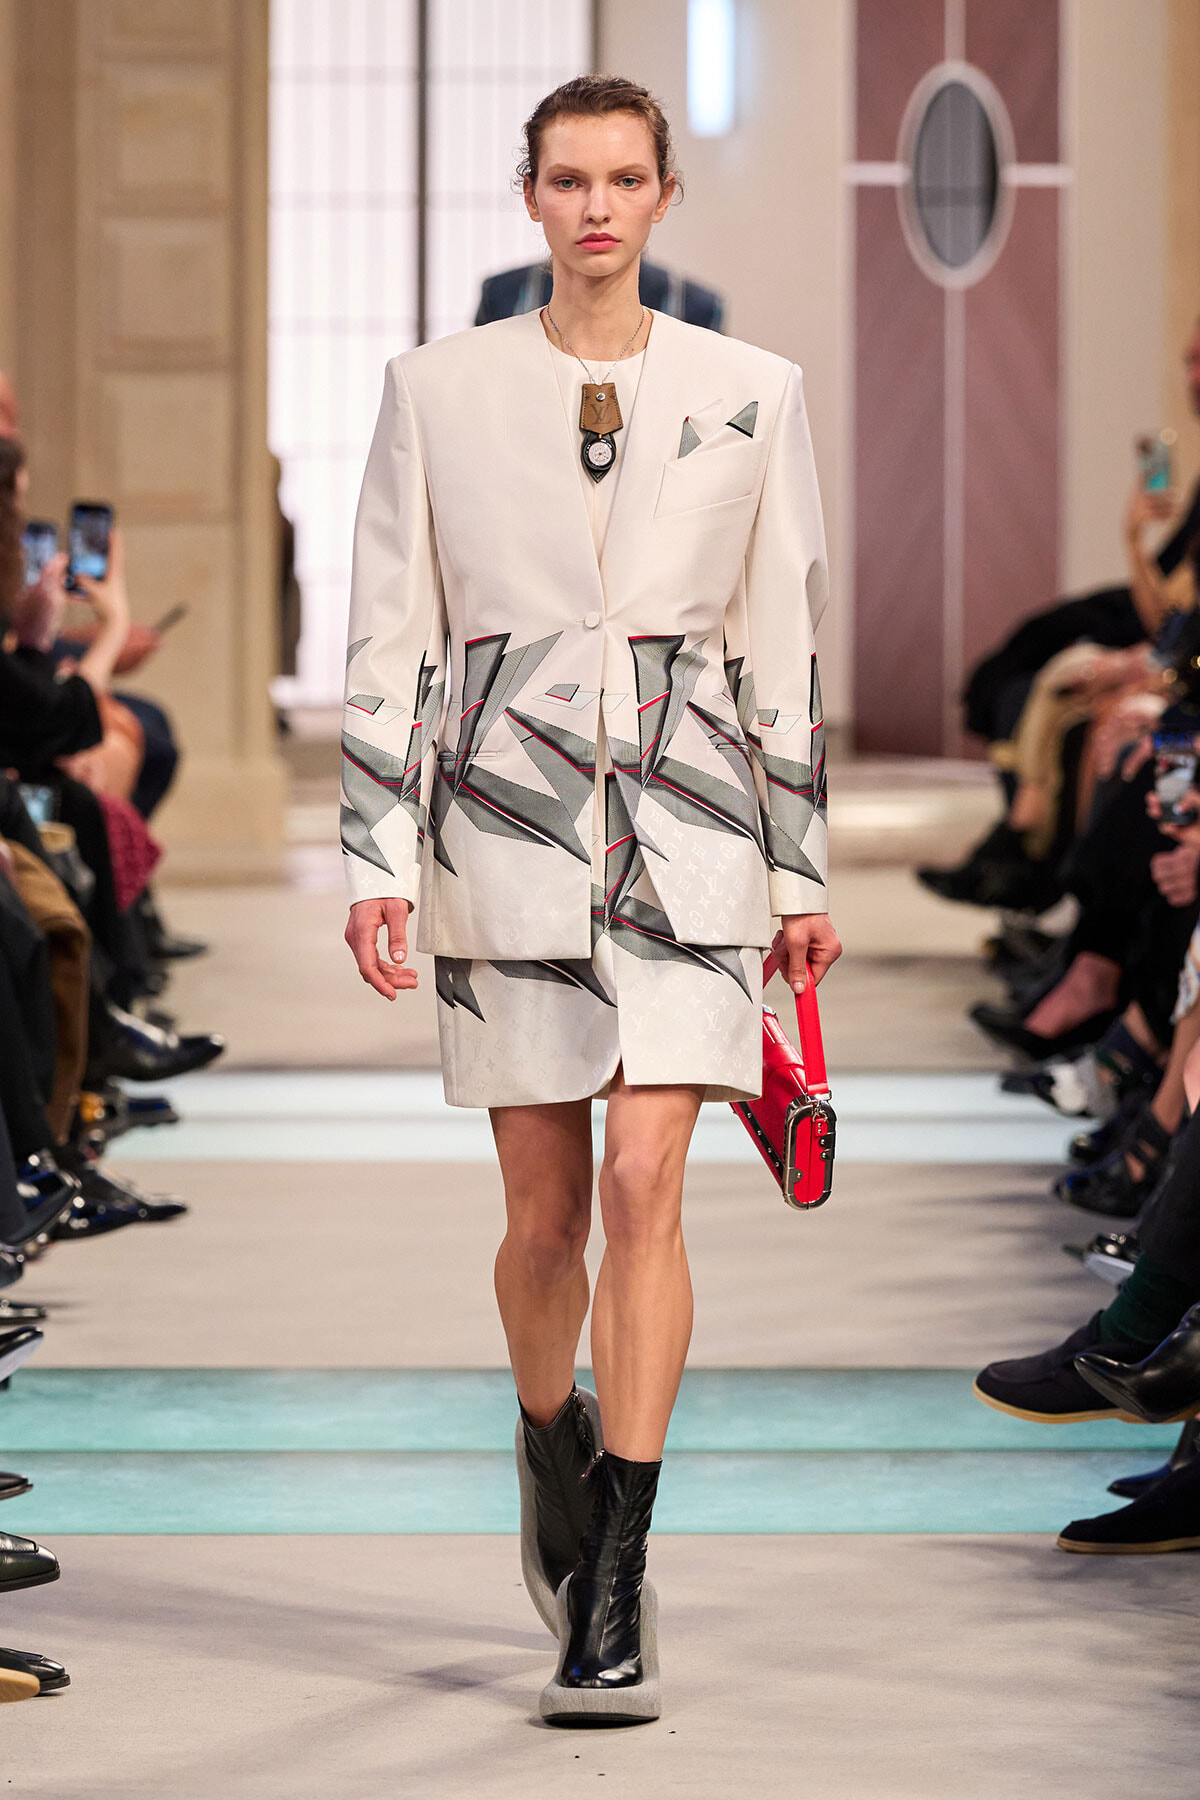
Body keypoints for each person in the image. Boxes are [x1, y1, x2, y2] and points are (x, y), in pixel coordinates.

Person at [341, 74, 839, 1725]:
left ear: (666, 196)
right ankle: (548, 1433)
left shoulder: (754, 390)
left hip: (692, 827)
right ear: (532, 196)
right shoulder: (437, 391)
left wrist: (799, 862)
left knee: (642, 1189)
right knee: (543, 1215)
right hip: (504, 824)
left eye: (627, 178)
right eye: (570, 180)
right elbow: (391, 642)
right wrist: (370, 855)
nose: (599, 207)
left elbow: (780, 641)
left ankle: (613, 1571)